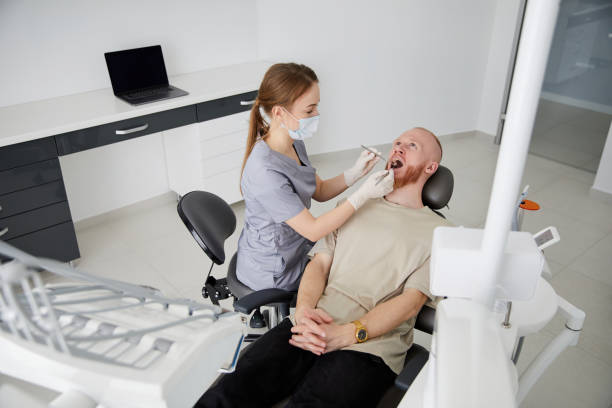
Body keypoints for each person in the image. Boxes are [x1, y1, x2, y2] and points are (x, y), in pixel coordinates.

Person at [197, 127, 451, 408]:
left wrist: (350, 333)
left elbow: (410, 303)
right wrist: (304, 310)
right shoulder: (356, 204)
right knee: (227, 393)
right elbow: (319, 264)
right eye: (397, 143)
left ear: (430, 167)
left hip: (368, 346)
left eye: (411, 145)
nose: (398, 148)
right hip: (312, 323)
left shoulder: (439, 233)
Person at [237, 63, 394, 291]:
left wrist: (355, 173)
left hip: (296, 245)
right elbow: (313, 229)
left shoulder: (294, 142)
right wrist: (363, 195)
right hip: (273, 270)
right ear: (280, 113)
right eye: (309, 111)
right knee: (353, 277)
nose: (316, 115)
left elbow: (318, 191)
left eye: (316, 107)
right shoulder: (265, 172)